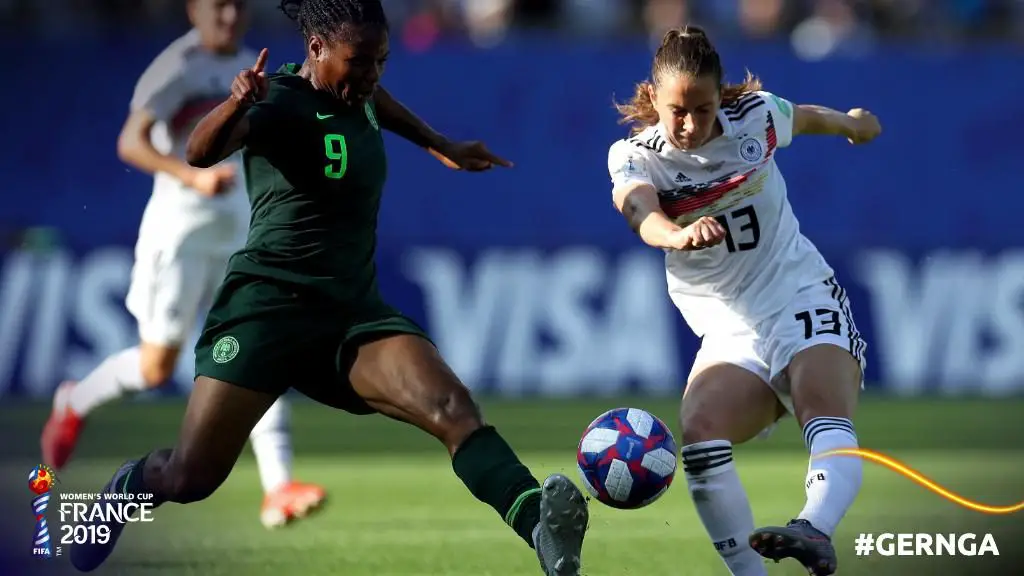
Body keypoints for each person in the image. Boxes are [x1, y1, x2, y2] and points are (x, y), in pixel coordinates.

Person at [68, 0, 589, 574]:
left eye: (381, 61)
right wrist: (238, 101)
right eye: (359, 61)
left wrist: (439, 142)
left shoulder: (357, 92)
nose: (371, 75)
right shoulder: (280, 99)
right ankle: (124, 489)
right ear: (316, 49)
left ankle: (539, 526)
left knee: (452, 408)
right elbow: (198, 151)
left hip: (349, 314)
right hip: (266, 312)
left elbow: (378, 103)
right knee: (190, 477)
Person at [40, 0, 326, 530]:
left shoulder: (249, 65)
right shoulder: (176, 68)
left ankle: (279, 486)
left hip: (237, 232)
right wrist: (191, 175)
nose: (230, 16)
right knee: (156, 368)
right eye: (218, 6)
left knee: (258, 346)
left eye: (238, 6)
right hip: (180, 235)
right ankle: (75, 401)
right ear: (195, 10)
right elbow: (131, 142)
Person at [607, 26, 880, 576]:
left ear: (720, 97)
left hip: (797, 291)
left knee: (820, 405)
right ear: (654, 98)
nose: (690, 124)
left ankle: (814, 528)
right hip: (730, 328)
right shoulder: (635, 156)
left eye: (703, 109)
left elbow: (806, 117)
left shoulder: (756, 116)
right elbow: (638, 210)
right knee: (700, 432)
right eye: (677, 111)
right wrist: (676, 234)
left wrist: (851, 125)